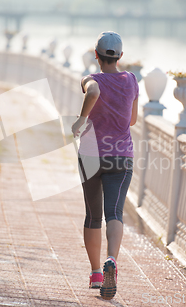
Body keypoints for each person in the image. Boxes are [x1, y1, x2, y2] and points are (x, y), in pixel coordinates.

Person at [71, 31, 139, 300]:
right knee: (114, 214)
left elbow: (95, 91)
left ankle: (97, 273)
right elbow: (132, 120)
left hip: (90, 155)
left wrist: (80, 120)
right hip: (121, 156)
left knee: (92, 215)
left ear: (96, 55)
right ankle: (112, 259)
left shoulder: (91, 79)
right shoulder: (131, 80)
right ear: (120, 56)